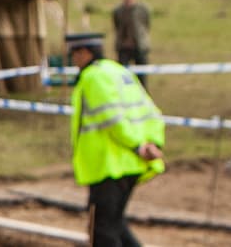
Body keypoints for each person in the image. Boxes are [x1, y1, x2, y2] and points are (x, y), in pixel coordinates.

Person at [66, 32, 165, 247]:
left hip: (108, 164)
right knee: (114, 224)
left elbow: (111, 119)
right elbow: (151, 112)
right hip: (130, 163)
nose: (73, 60)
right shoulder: (119, 71)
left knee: (101, 230)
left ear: (85, 53)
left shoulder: (93, 77)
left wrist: (137, 146)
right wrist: (153, 143)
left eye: (75, 54)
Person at [112, 0, 152, 86]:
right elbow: (116, 25)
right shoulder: (118, 11)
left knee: (142, 78)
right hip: (123, 48)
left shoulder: (143, 9)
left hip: (140, 47)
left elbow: (146, 24)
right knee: (122, 77)